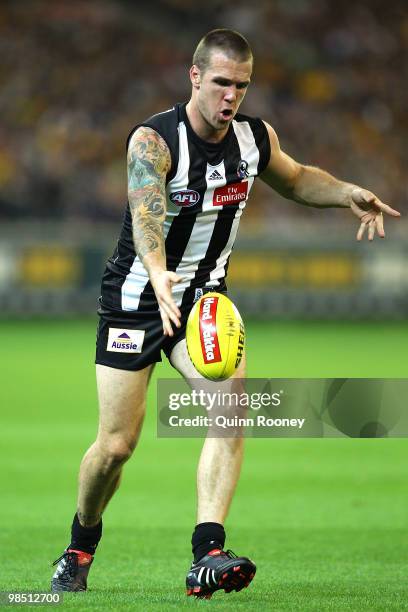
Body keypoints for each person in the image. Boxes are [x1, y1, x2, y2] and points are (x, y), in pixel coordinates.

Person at [51, 29, 400, 598]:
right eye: (220, 83)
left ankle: (206, 552)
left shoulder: (254, 138)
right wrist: (159, 268)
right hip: (139, 296)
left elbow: (295, 178)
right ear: (194, 77)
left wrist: (345, 194)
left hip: (205, 305)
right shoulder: (154, 141)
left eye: (241, 85)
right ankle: (79, 545)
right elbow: (146, 209)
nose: (230, 96)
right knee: (116, 446)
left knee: (230, 409)